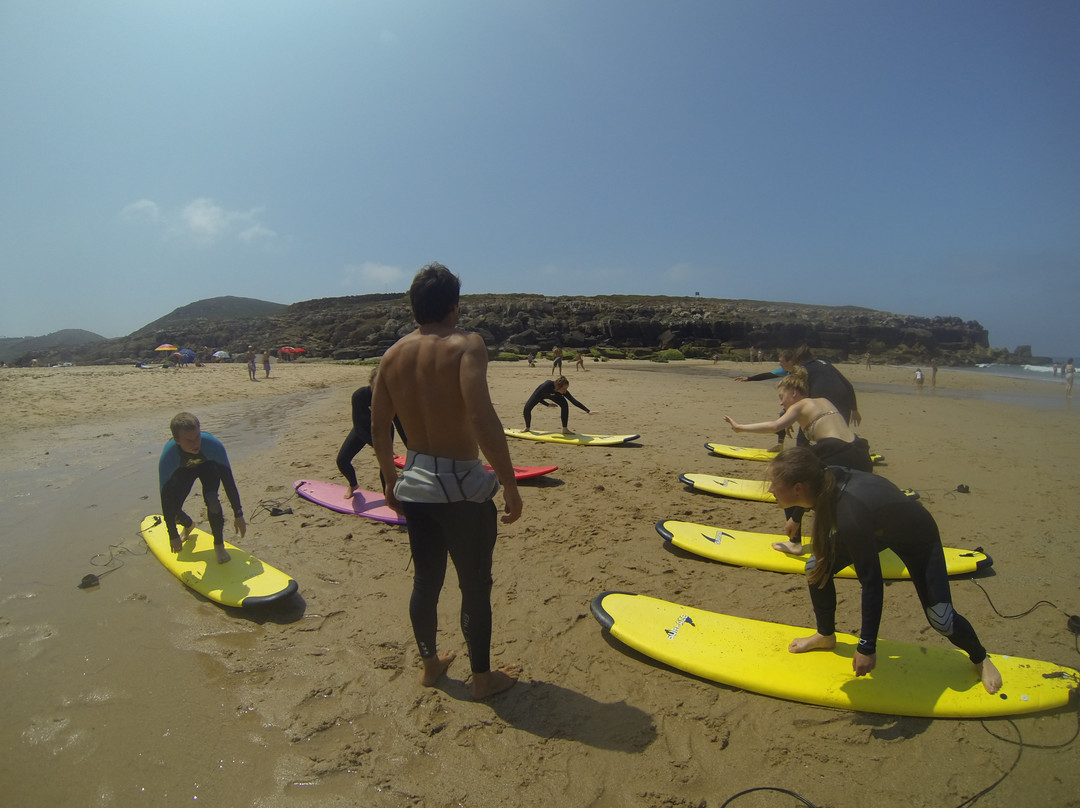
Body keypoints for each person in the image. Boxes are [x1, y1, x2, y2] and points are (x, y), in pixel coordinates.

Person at [372, 263, 523, 700]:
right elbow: (480, 416)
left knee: (426, 581)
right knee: (474, 584)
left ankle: (431, 665)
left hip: (415, 483)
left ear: (414, 307)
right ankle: (482, 679)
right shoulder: (466, 345)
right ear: (454, 307)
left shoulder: (392, 355)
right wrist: (509, 483)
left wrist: (389, 479)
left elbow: (378, 427)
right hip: (461, 489)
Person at [766, 447, 1002, 695]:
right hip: (877, 526)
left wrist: (867, 647)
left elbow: (871, 582)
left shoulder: (849, 514)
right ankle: (825, 636)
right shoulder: (822, 478)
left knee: (942, 620)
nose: (770, 489)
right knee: (815, 567)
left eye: (774, 484)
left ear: (798, 488)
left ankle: (981, 658)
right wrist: (795, 516)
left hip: (917, 538)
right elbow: (811, 495)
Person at [724, 367, 873, 554]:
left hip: (836, 453)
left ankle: (794, 542)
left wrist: (740, 428)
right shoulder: (823, 400)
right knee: (837, 494)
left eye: (782, 397)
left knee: (790, 479)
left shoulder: (800, 405)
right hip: (861, 454)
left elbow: (774, 426)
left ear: (794, 393)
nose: (781, 403)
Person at [158, 412, 246, 565]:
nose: (195, 444)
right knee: (173, 508)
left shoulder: (213, 446)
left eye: (197, 437)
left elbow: (229, 482)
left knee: (212, 501)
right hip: (183, 471)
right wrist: (172, 534)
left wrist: (238, 514)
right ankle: (188, 524)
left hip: (208, 467)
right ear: (177, 440)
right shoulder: (169, 457)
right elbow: (165, 497)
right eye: (189, 440)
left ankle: (219, 546)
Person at [734, 347, 862, 452]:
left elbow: (798, 397)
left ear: (794, 361)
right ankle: (851, 452)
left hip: (820, 400)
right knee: (840, 434)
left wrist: (790, 417)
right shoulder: (824, 363)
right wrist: (854, 409)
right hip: (843, 400)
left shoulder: (801, 371)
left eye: (782, 361)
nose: (780, 364)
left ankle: (804, 456)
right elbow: (848, 385)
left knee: (802, 438)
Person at [337, 368, 406, 498]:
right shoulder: (360, 396)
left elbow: (399, 424)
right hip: (362, 430)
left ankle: (388, 495)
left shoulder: (391, 398)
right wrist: (377, 446)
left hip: (384, 431)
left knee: (385, 466)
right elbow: (358, 427)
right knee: (342, 461)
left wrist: (410, 446)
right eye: (377, 384)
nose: (380, 388)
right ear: (371, 382)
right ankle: (353, 485)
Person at [522, 376, 594, 434]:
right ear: (558, 386)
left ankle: (565, 429)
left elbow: (573, 401)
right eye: (564, 389)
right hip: (541, 395)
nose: (565, 391)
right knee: (526, 409)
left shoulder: (563, 391)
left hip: (555, 396)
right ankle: (527, 428)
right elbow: (537, 397)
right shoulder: (547, 385)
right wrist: (547, 404)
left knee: (564, 404)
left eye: (566, 389)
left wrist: (587, 411)